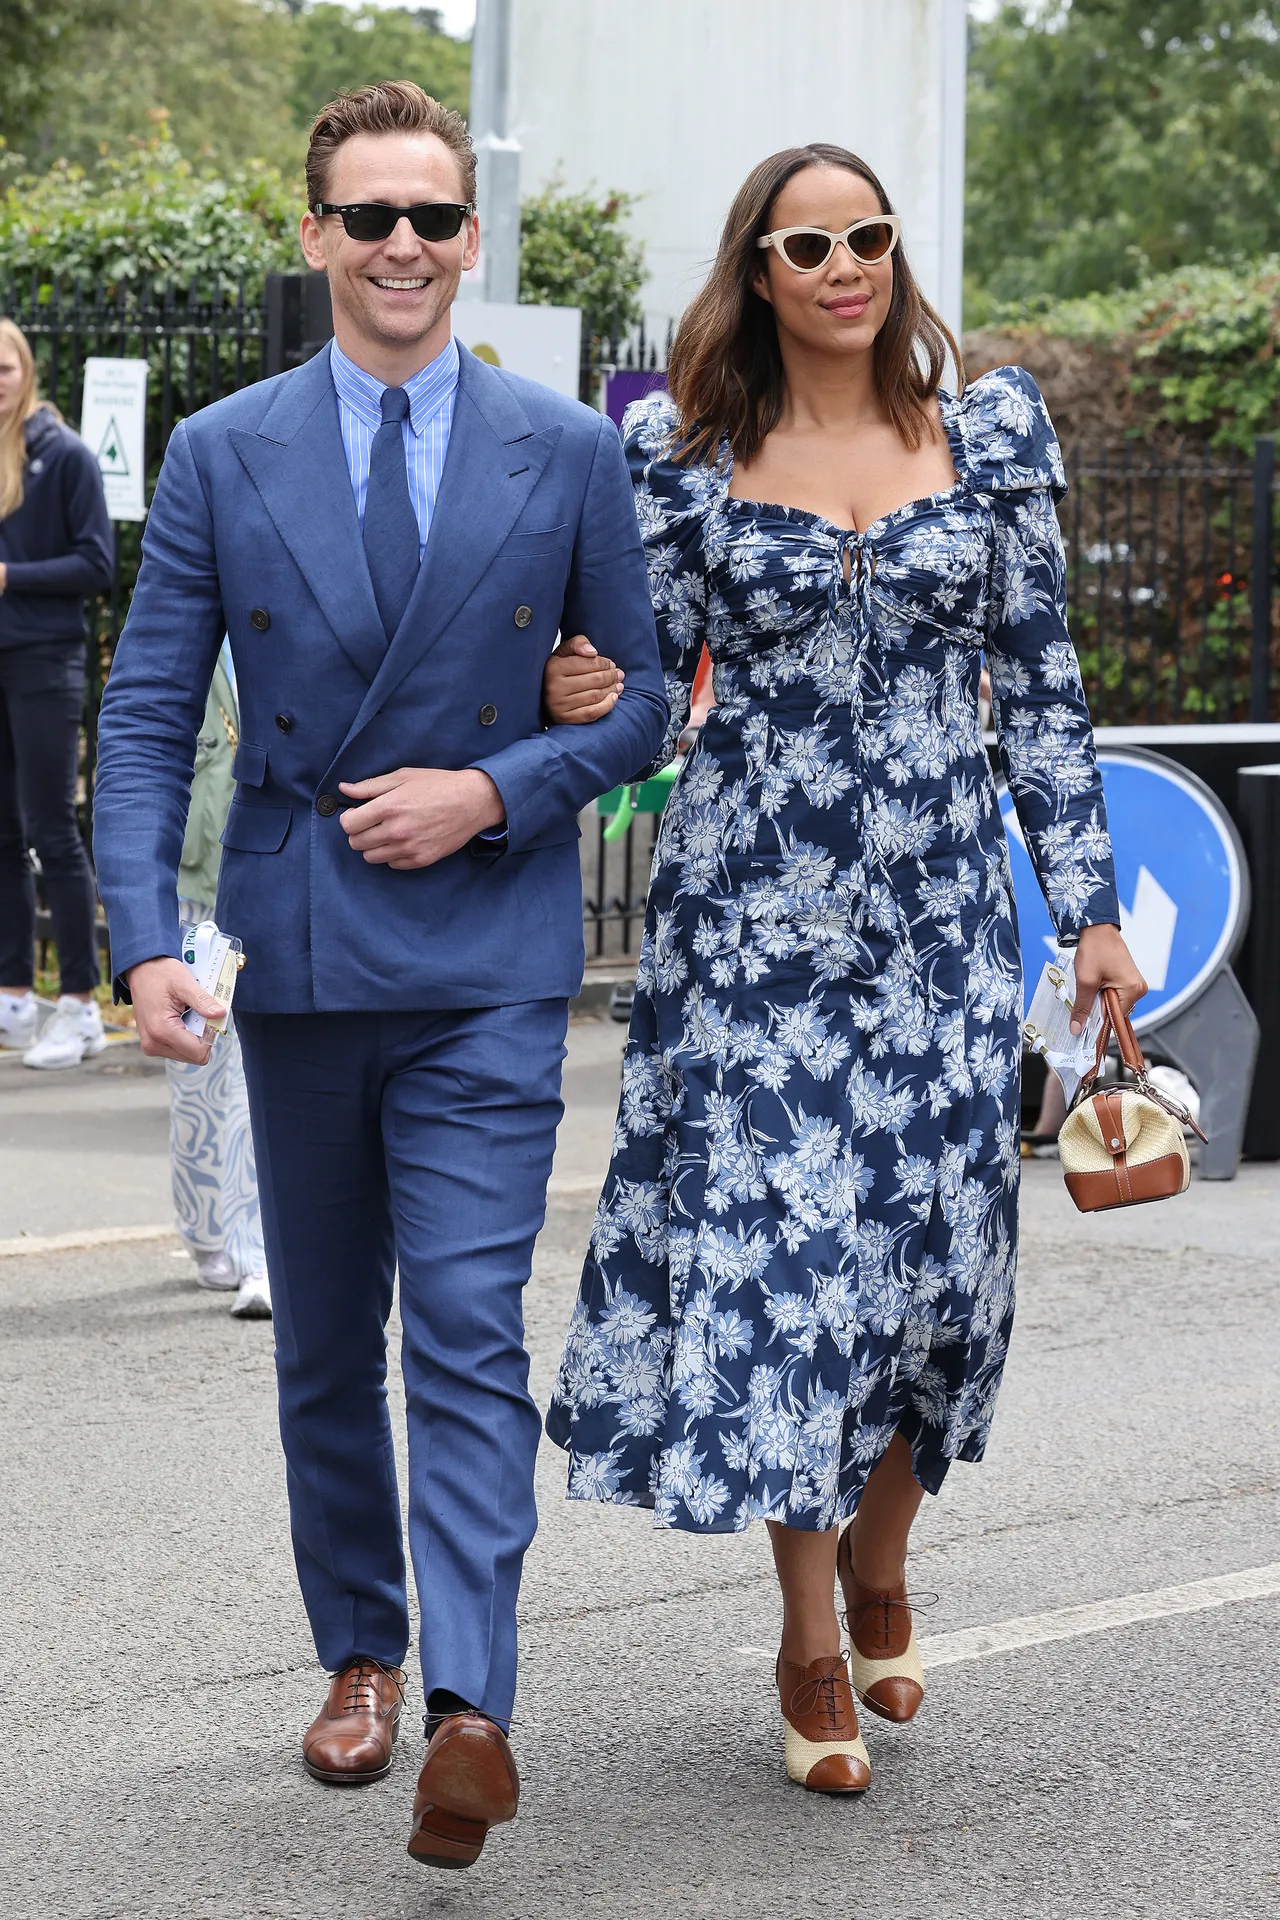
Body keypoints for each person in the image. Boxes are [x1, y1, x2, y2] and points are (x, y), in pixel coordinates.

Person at [92, 82, 665, 1871]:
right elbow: (144, 709)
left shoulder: (565, 448)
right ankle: (359, 1648)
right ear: (316, 235)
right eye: (370, 219)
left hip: (489, 951)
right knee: (329, 1342)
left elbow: (645, 697)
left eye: (432, 218)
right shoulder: (222, 447)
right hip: (305, 947)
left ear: (469, 241)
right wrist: (139, 935)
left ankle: (471, 1705)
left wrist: (494, 786)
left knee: (475, 1329)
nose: (403, 246)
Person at [542, 144, 1146, 1796]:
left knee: (945, 1282)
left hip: (949, 931)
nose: (843, 266)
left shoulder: (992, 431)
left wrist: (1090, 910)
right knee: (792, 1289)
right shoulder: (684, 451)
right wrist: (581, 686)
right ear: (757, 272)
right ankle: (810, 1635)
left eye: (866, 236)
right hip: (752, 933)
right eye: (805, 245)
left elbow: (1046, 692)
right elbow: (651, 707)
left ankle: (887, 1550)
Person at [0, 317, 113, 1067]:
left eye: (3, 367)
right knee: (3, 836)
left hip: (43, 660)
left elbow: (97, 563)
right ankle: (13, 996)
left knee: (52, 831)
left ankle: (80, 1004)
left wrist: (12, 579)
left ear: (26, 371)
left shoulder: (65, 454)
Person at [168, 640, 271, 1320]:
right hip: (194, 877)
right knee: (197, 1068)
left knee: (254, 1071)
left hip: (268, 868)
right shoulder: (184, 611)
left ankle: (260, 1252)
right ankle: (206, 1229)